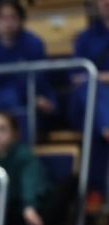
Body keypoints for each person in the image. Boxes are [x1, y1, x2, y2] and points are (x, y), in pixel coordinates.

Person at [0, 0, 57, 137]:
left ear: (21, 20)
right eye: (3, 18)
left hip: (30, 103)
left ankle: (21, 145)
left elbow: (40, 82)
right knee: (8, 99)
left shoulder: (34, 44)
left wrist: (32, 97)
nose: (8, 23)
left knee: (19, 102)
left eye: (13, 17)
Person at [69, 0, 109, 195]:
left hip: (94, 115)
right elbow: (76, 76)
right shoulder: (85, 38)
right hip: (86, 103)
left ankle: (95, 193)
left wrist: (99, 76)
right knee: (90, 89)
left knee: (93, 125)